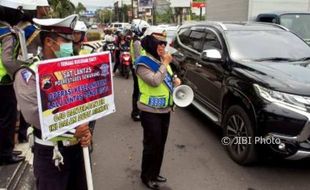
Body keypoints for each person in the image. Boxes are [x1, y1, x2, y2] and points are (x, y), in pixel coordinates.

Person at [14, 14, 92, 190]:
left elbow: (86, 103)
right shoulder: (29, 74)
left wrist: (87, 129)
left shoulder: (74, 68)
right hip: (51, 154)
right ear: (49, 42)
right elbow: (35, 116)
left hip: (78, 148)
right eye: (66, 40)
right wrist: (74, 129)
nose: (72, 45)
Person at [135, 27, 181, 190]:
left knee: (161, 143)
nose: (162, 47)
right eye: (159, 44)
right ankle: (146, 176)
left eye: (164, 43)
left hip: (165, 110)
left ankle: (155, 173)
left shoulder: (162, 60)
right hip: (149, 111)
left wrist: (175, 80)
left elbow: (168, 76)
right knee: (151, 145)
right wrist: (165, 63)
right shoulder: (142, 62)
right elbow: (154, 81)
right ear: (150, 44)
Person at [0, 0, 41, 165]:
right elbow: (7, 61)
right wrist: (21, 71)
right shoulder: (6, 32)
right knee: (7, 119)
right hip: (4, 81)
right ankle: (5, 154)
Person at [130, 20, 149, 121]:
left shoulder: (137, 39)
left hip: (137, 69)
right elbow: (138, 58)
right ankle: (136, 112)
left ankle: (138, 111)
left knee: (138, 91)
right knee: (138, 91)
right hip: (138, 69)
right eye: (144, 29)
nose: (144, 31)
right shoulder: (137, 42)